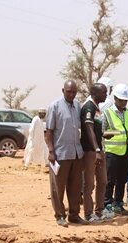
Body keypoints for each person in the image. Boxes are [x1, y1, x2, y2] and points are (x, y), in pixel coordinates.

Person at [45, 80, 85, 227]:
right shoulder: (55, 106)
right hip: (60, 154)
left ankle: (74, 215)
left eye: (74, 92)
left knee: (75, 188)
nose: (72, 94)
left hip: (76, 153)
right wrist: (51, 151)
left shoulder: (78, 106)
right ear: (63, 90)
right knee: (58, 187)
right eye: (69, 91)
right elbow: (48, 132)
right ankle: (60, 215)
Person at [102, 83, 128, 216]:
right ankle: (107, 204)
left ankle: (118, 203)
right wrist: (109, 134)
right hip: (112, 152)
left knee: (122, 179)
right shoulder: (107, 113)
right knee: (110, 180)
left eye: (125, 100)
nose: (124, 102)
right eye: (121, 100)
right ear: (115, 99)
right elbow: (102, 132)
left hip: (126, 151)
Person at [81, 83, 108, 223]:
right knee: (89, 184)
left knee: (103, 181)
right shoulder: (88, 107)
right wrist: (96, 149)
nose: (106, 95)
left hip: (99, 149)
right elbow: (89, 129)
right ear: (95, 93)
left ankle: (99, 211)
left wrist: (104, 135)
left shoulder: (97, 108)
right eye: (104, 92)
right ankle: (88, 213)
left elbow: (96, 130)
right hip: (90, 151)